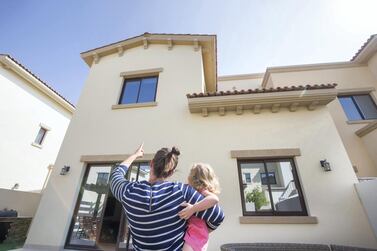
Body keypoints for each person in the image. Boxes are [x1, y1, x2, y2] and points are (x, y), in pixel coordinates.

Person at [110, 144, 224, 250]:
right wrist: (199, 233)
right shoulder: (182, 192)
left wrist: (135, 155)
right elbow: (218, 216)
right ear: (171, 172)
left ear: (151, 164)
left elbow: (115, 176)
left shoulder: (128, 192)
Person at [178, 163, 221, 251]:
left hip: (197, 233)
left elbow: (214, 199)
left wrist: (193, 208)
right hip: (194, 232)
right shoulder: (191, 190)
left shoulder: (201, 190)